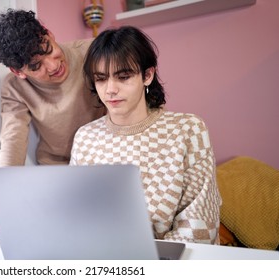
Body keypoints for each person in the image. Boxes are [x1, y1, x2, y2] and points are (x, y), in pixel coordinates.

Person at [0, 9, 105, 247]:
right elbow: (12, 143)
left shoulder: (93, 52)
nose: (53, 65)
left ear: (48, 33)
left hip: (106, 167)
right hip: (58, 175)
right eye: (36, 66)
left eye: (48, 49)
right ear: (18, 72)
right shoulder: (14, 88)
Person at [70, 26, 222, 244]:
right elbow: (75, 215)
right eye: (101, 78)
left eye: (123, 77)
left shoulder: (188, 130)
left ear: (147, 75)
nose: (110, 89)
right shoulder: (85, 137)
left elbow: (200, 227)